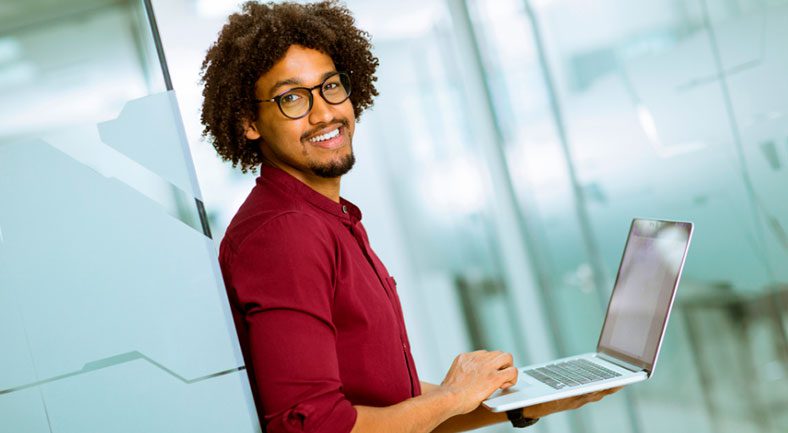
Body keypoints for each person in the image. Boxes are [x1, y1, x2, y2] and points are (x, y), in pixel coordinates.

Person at [200, 1, 619, 432]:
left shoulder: (328, 219)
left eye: (330, 87)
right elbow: (316, 426)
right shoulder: (285, 234)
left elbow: (390, 405)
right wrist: (455, 394)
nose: (325, 113)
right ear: (249, 122)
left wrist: (532, 403)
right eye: (292, 98)